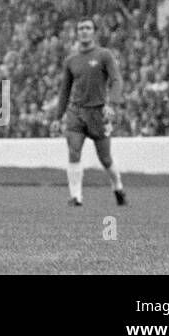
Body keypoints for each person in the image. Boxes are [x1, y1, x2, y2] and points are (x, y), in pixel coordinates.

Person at [55, 18, 127, 207]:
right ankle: (76, 197)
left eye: (87, 28)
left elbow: (116, 80)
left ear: (94, 32)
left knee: (105, 159)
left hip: (98, 113)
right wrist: (58, 116)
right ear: (77, 33)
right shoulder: (71, 60)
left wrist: (112, 103)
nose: (84, 31)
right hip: (76, 112)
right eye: (81, 28)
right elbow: (65, 90)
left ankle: (118, 187)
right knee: (74, 151)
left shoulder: (104, 55)